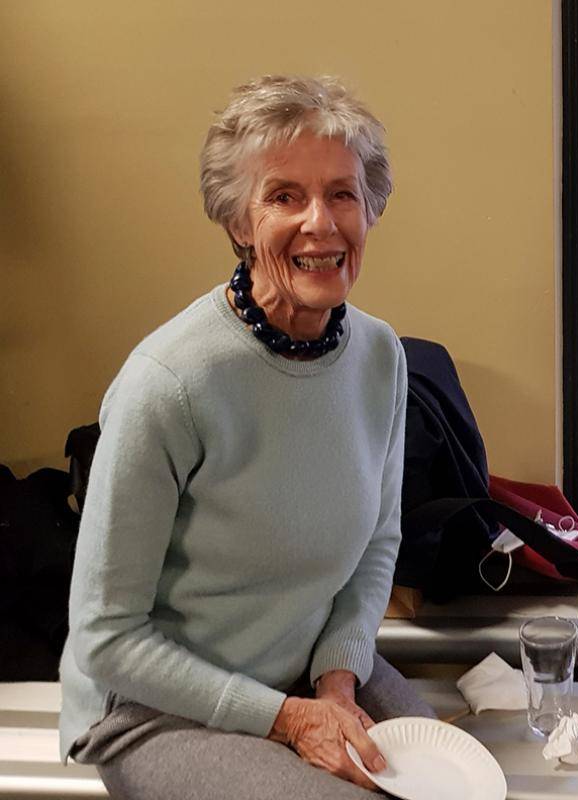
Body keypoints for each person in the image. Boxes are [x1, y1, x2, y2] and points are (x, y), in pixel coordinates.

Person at [58, 75, 433, 799]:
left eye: (342, 194)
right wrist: (286, 719)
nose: (320, 223)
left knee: (455, 785)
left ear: (370, 209)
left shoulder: (380, 357)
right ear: (237, 220)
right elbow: (106, 636)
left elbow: (377, 545)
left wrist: (338, 676)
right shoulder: (169, 383)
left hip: (305, 670)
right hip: (156, 708)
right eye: (284, 197)